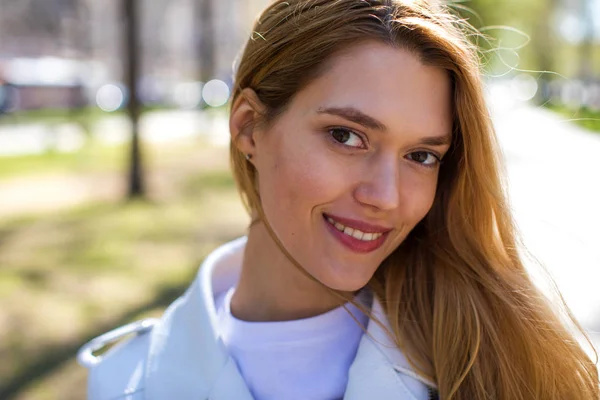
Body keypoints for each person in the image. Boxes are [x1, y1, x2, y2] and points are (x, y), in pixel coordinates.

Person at [78, 0, 600, 399]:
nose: (386, 197)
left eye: (421, 155)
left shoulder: (502, 362)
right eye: (347, 136)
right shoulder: (122, 379)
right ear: (248, 127)